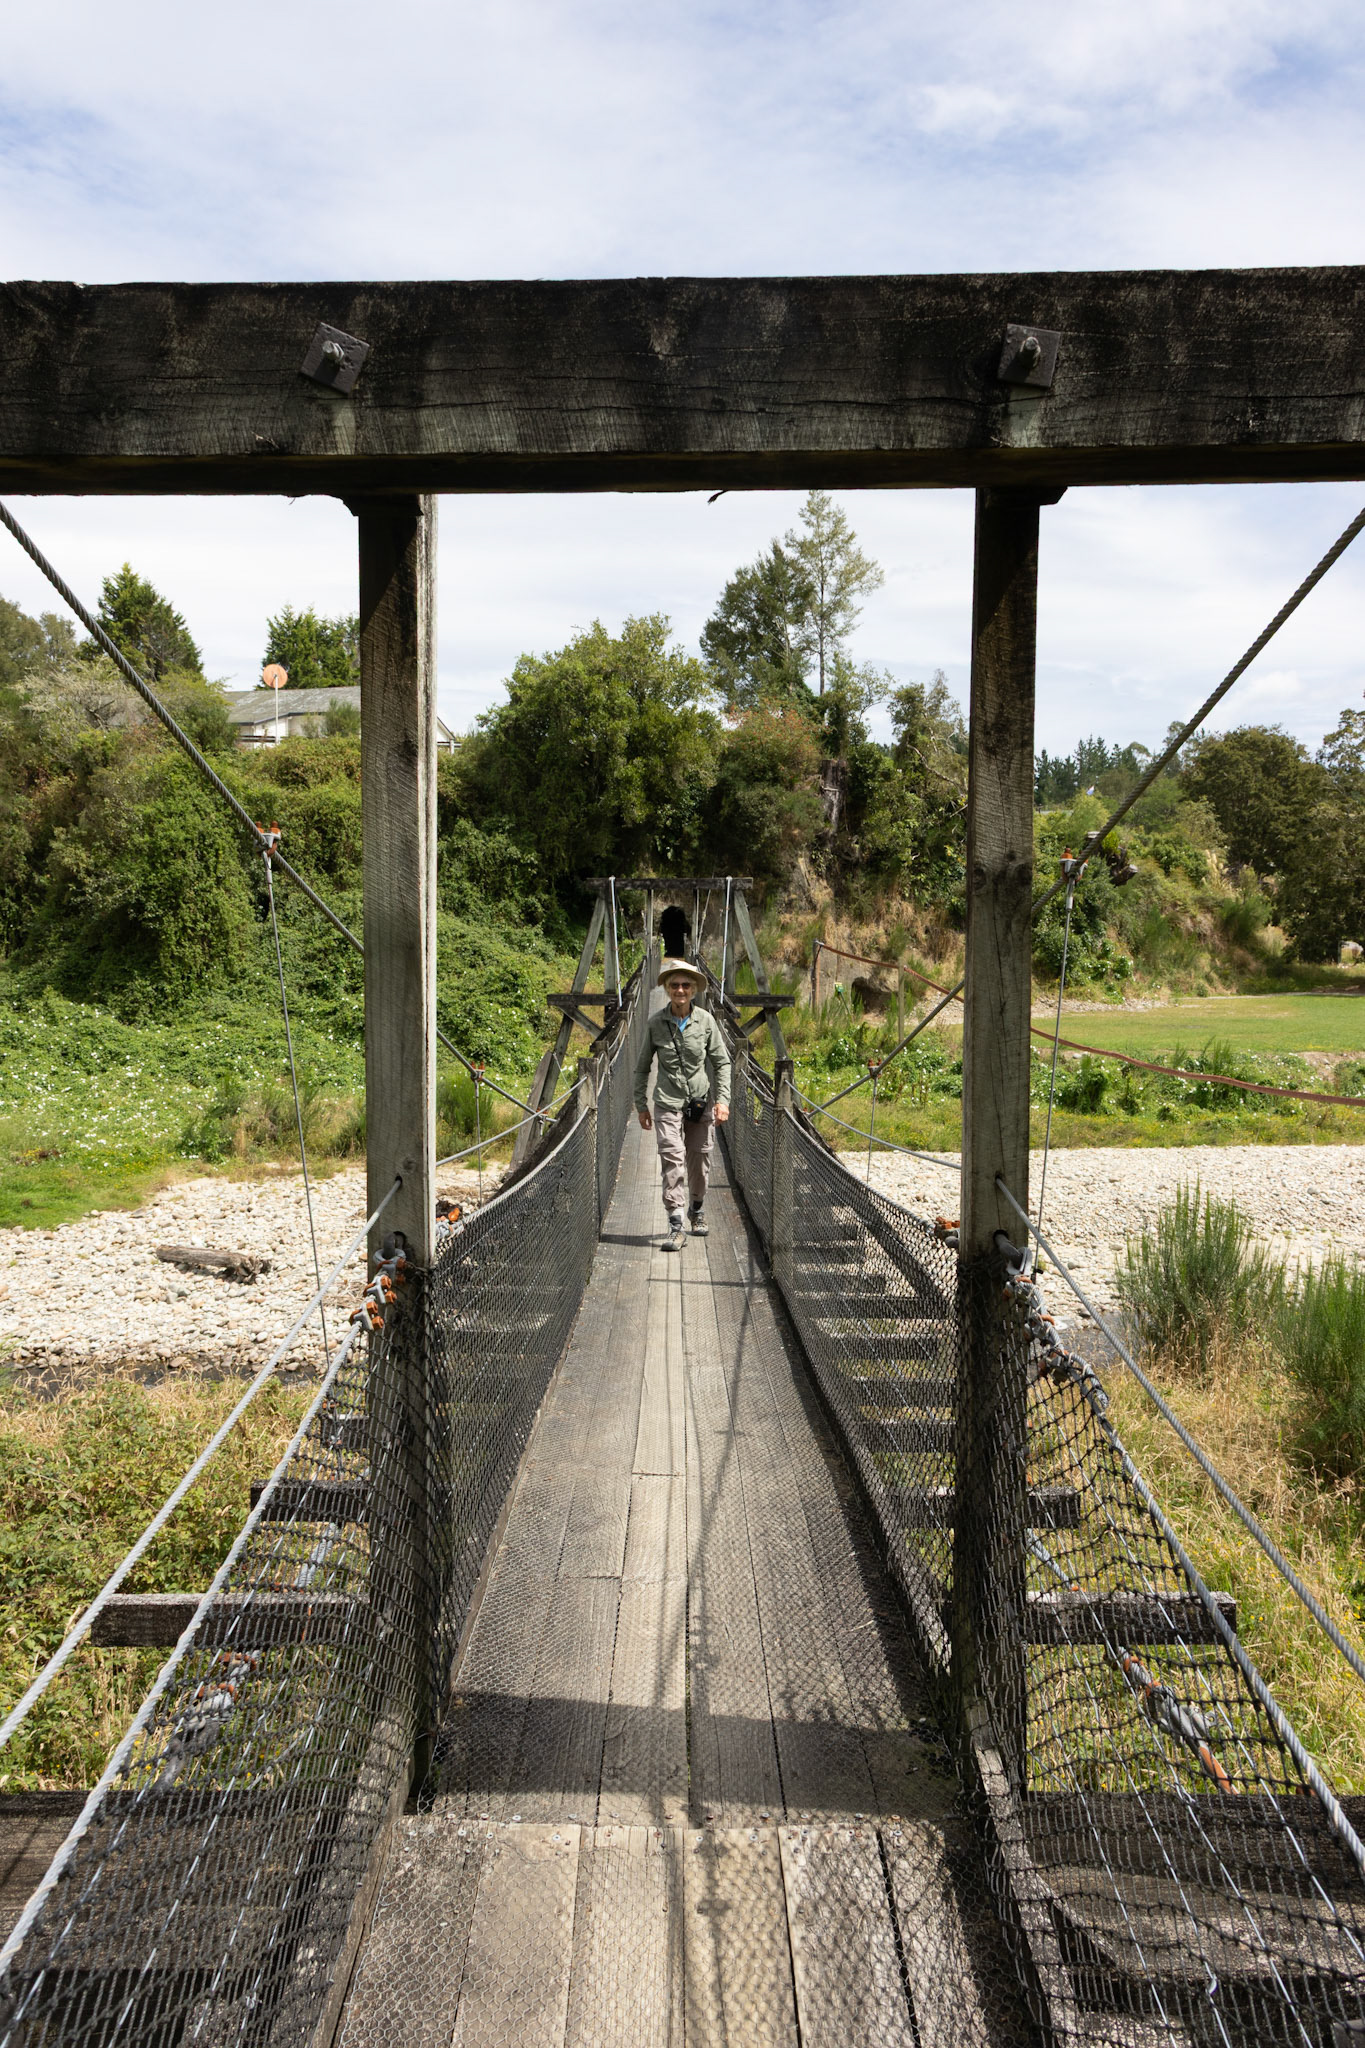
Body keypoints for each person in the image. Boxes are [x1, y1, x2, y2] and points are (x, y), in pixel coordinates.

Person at [634, 957, 731, 1251]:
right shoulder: (655, 1024)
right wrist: (641, 1104)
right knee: (672, 1158)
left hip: (701, 1102)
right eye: (674, 984)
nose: (680, 989)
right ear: (667, 989)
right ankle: (675, 1224)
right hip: (666, 1101)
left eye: (685, 985)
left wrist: (723, 1100)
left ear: (693, 990)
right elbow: (641, 1067)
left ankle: (697, 1210)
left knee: (699, 1161)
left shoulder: (706, 1021)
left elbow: (722, 1061)